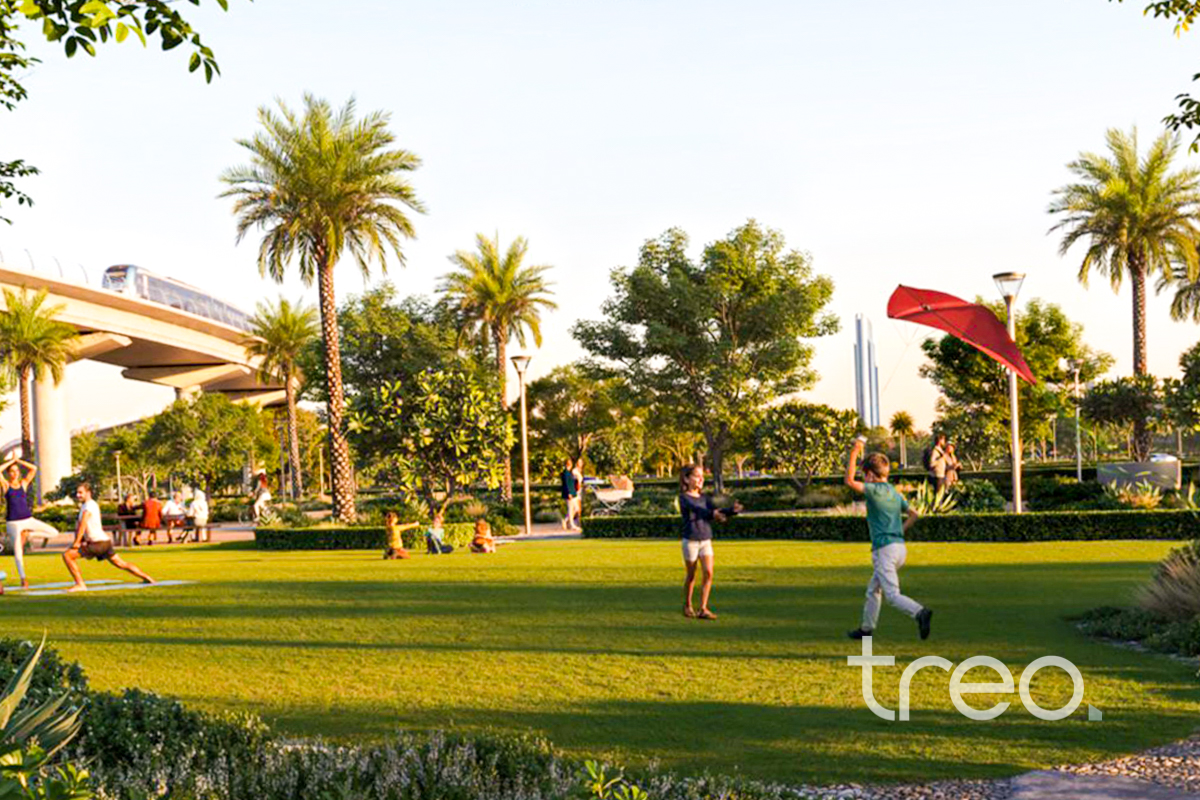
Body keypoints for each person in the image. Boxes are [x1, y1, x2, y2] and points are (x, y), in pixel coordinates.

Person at [844, 435, 933, 641]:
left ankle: (920, 612)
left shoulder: (873, 490)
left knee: (892, 595)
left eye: (864, 474)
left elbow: (849, 481)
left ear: (870, 474)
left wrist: (855, 451)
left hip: (884, 550)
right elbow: (914, 514)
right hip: (899, 548)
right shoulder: (894, 492)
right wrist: (899, 530)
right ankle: (866, 629)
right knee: (873, 590)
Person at [63, 482, 154, 592]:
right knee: (121, 564)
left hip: (98, 543)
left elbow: (83, 524)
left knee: (67, 556)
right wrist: (82, 541)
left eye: (80, 492)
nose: (78, 495)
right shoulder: (85, 505)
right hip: (104, 542)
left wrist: (77, 542)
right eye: (77, 493)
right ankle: (147, 578)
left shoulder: (89, 505)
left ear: (88, 493)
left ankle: (80, 584)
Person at [678, 464, 740, 621]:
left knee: (709, 573)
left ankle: (703, 609)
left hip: (706, 539)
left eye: (702, 476)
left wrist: (732, 511)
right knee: (691, 575)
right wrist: (713, 514)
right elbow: (699, 511)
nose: (701, 479)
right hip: (690, 540)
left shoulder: (705, 498)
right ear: (686, 479)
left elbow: (715, 511)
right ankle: (687, 605)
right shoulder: (684, 498)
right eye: (697, 476)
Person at [1, 458, 59, 588]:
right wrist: (11, 461)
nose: (15, 473)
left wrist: (18, 460)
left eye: (16, 471)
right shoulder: (6, 485)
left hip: (28, 519)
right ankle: (23, 578)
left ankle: (29, 535)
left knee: (54, 532)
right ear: (8, 473)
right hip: (13, 523)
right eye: (12, 471)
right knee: (18, 550)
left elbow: (34, 468)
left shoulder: (23, 484)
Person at [560, 456, 580, 532]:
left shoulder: (570, 473)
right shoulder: (565, 473)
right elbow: (566, 484)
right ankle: (571, 524)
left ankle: (566, 520)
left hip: (573, 492)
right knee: (571, 509)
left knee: (576, 508)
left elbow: (572, 482)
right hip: (569, 494)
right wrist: (569, 493)